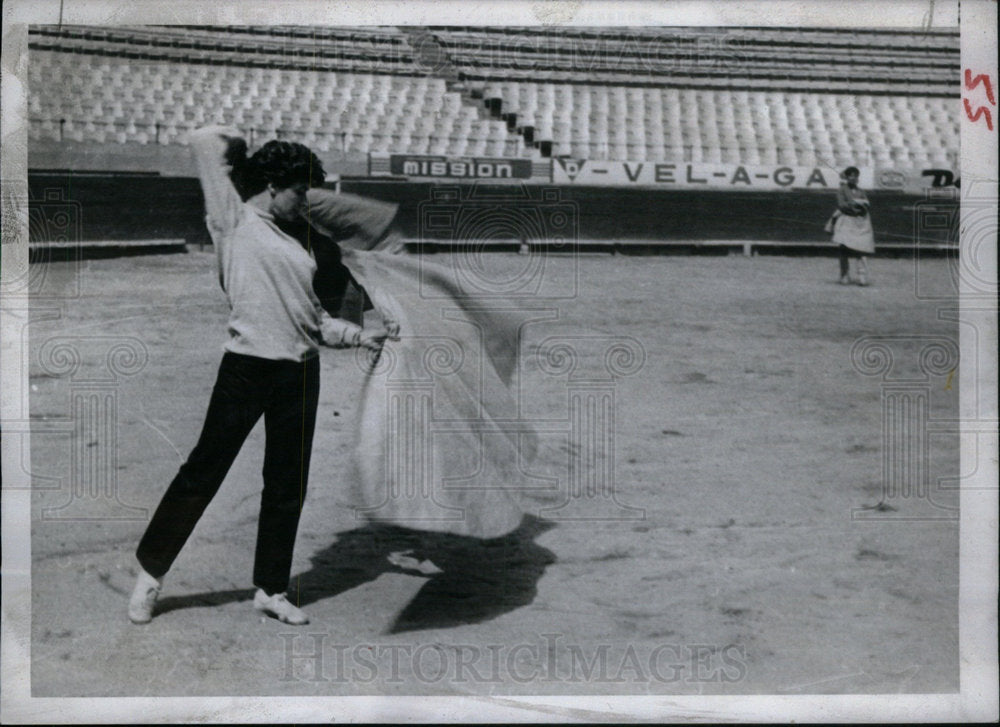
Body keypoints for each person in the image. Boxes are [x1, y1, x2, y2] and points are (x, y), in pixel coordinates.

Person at [128, 126, 391, 626]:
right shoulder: (233, 222)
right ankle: (149, 574)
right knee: (203, 472)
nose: (304, 201)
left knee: (287, 484)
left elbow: (314, 321)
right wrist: (234, 140)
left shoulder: (304, 246)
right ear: (273, 185)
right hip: (246, 368)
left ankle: (270, 588)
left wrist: (360, 337)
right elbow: (205, 145)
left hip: (300, 374)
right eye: (299, 191)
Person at [826, 166, 876, 286]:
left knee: (862, 249)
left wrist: (862, 206)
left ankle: (862, 276)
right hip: (847, 220)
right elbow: (842, 205)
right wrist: (854, 205)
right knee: (844, 249)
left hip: (860, 222)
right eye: (851, 176)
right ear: (847, 177)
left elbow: (867, 204)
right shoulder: (842, 190)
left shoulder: (861, 191)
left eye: (856, 176)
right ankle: (844, 275)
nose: (854, 178)